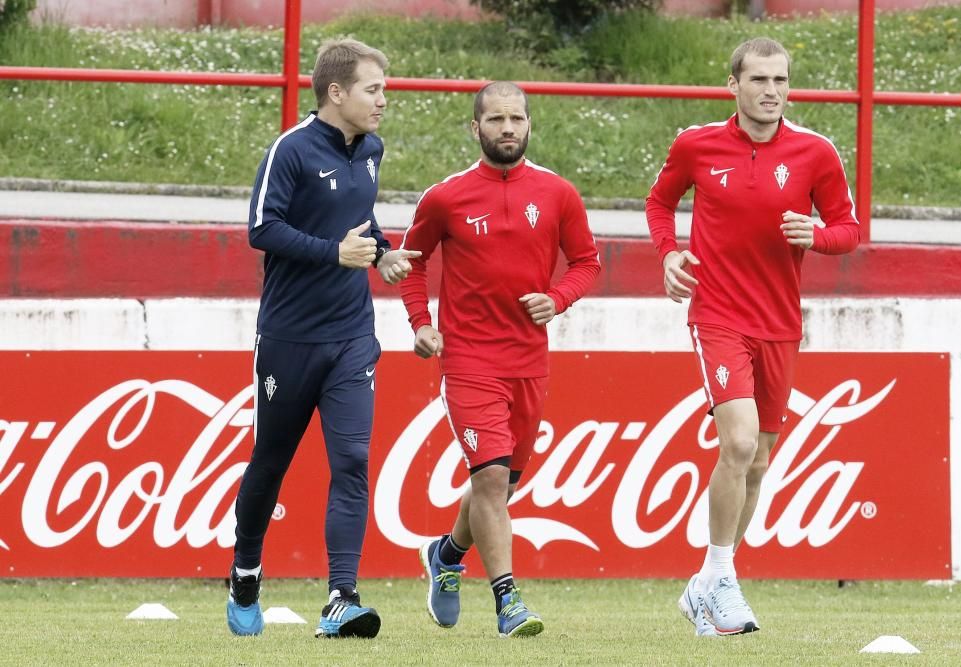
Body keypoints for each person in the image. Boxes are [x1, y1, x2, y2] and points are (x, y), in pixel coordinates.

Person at [645, 37, 860, 637]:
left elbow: (848, 229)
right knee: (737, 444)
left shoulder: (815, 152)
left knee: (759, 462)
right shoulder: (696, 145)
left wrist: (813, 235)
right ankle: (722, 577)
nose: (771, 91)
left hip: (779, 323)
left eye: (781, 81)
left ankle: (707, 586)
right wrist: (668, 255)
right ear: (733, 85)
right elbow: (660, 204)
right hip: (717, 316)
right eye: (759, 79)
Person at [226, 38, 420, 639]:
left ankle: (341, 597)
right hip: (288, 337)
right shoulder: (290, 149)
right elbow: (262, 229)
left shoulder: (371, 149)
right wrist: (335, 254)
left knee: (354, 460)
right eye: (373, 89)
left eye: (384, 89)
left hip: (351, 336)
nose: (384, 100)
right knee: (272, 460)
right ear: (336, 93)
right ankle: (246, 571)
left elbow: (356, 223)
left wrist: (381, 253)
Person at [398, 82, 601, 638]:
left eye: (516, 119)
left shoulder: (558, 193)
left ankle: (446, 554)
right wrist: (422, 325)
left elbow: (587, 262)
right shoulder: (446, 197)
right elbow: (412, 262)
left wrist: (556, 299)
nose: (507, 128)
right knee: (488, 478)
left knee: (500, 487)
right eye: (496, 119)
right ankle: (508, 601)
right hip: (467, 361)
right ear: (476, 128)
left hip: (530, 363)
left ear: (529, 126)